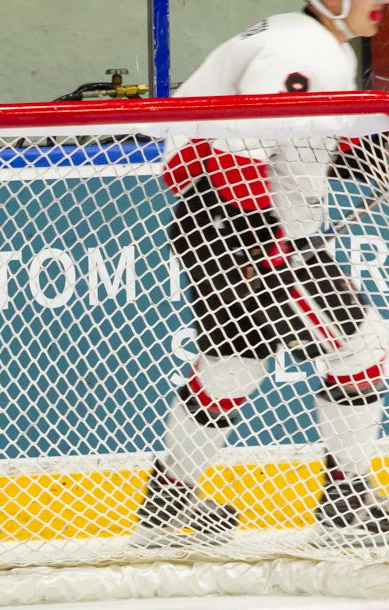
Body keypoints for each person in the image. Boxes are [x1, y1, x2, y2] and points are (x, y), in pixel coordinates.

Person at [141, 0, 389, 548]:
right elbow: (235, 151)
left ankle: (166, 505)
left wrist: (365, 152)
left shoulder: (305, 39)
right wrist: (267, 248)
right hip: (248, 227)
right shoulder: (301, 48)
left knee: (232, 365)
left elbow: (305, 139)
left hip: (215, 222)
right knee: (363, 346)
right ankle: (348, 504)